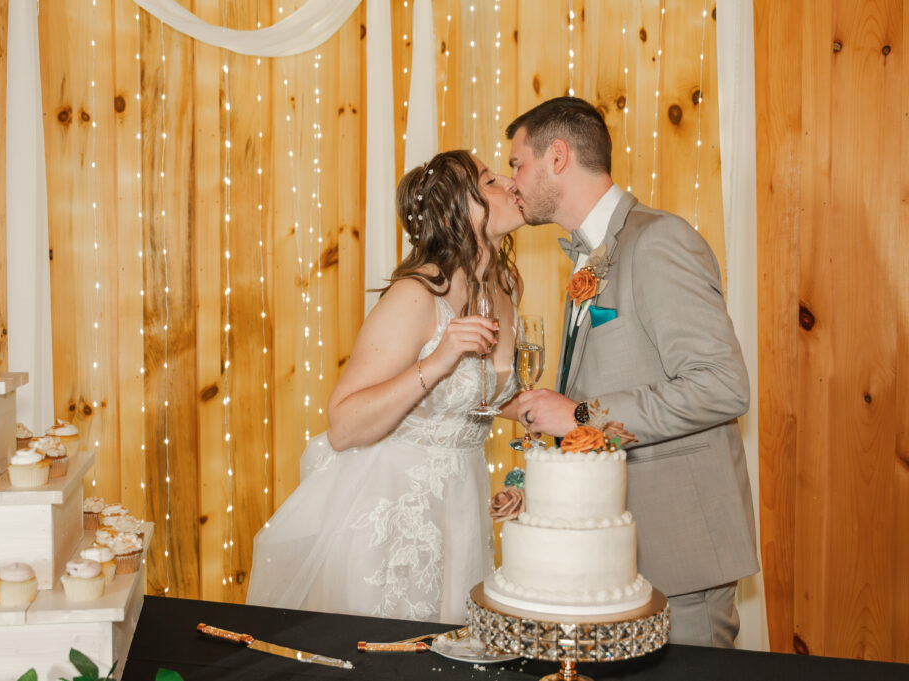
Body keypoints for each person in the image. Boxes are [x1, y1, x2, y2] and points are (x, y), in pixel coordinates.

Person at [506, 97, 759, 647]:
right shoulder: (589, 256)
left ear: (557, 156)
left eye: (517, 164)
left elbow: (722, 385)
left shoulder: (659, 241)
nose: (512, 182)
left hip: (680, 552)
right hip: (616, 552)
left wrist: (576, 414)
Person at [246, 150, 524, 623]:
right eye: (489, 180)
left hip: (462, 508)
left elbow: (483, 396)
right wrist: (438, 361)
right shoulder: (416, 296)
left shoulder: (505, 285)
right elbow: (343, 425)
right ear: (460, 210)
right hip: (392, 519)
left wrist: (531, 464)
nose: (508, 183)